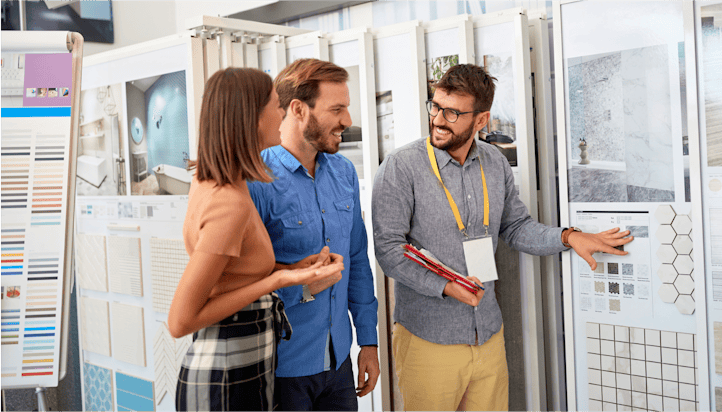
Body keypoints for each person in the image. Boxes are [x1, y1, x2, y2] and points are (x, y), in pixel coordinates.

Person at [371, 64, 633, 411]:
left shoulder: (494, 162)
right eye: (435, 106)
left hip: (488, 334)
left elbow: (516, 226)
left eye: (453, 112)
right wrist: (446, 286)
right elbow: (389, 250)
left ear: (481, 120)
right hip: (429, 339)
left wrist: (569, 237)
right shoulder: (401, 166)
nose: (438, 119)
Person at [168, 67, 344, 412]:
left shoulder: (217, 183)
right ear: (251, 117)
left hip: (244, 366)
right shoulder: (228, 203)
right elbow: (180, 321)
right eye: (275, 105)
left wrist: (293, 269)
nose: (282, 113)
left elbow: (229, 277)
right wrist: (278, 280)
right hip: (225, 377)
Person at [248, 58, 379, 411]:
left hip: (339, 362)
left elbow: (356, 259)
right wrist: (303, 288)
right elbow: (242, 285)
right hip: (282, 367)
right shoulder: (256, 179)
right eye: (337, 109)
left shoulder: (344, 172)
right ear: (298, 109)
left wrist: (368, 341)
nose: (347, 120)